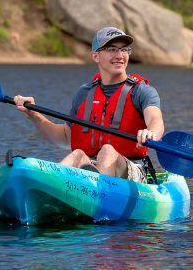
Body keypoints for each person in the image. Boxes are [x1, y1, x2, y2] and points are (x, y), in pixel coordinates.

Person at [13, 27, 164, 183]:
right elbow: (65, 138)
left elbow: (155, 119)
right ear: (95, 56)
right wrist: (33, 114)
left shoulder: (141, 91)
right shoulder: (84, 93)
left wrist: (151, 132)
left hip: (131, 171)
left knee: (107, 151)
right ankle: (45, 186)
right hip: (91, 165)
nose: (119, 55)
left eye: (124, 50)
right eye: (112, 49)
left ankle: (98, 199)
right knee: (77, 154)